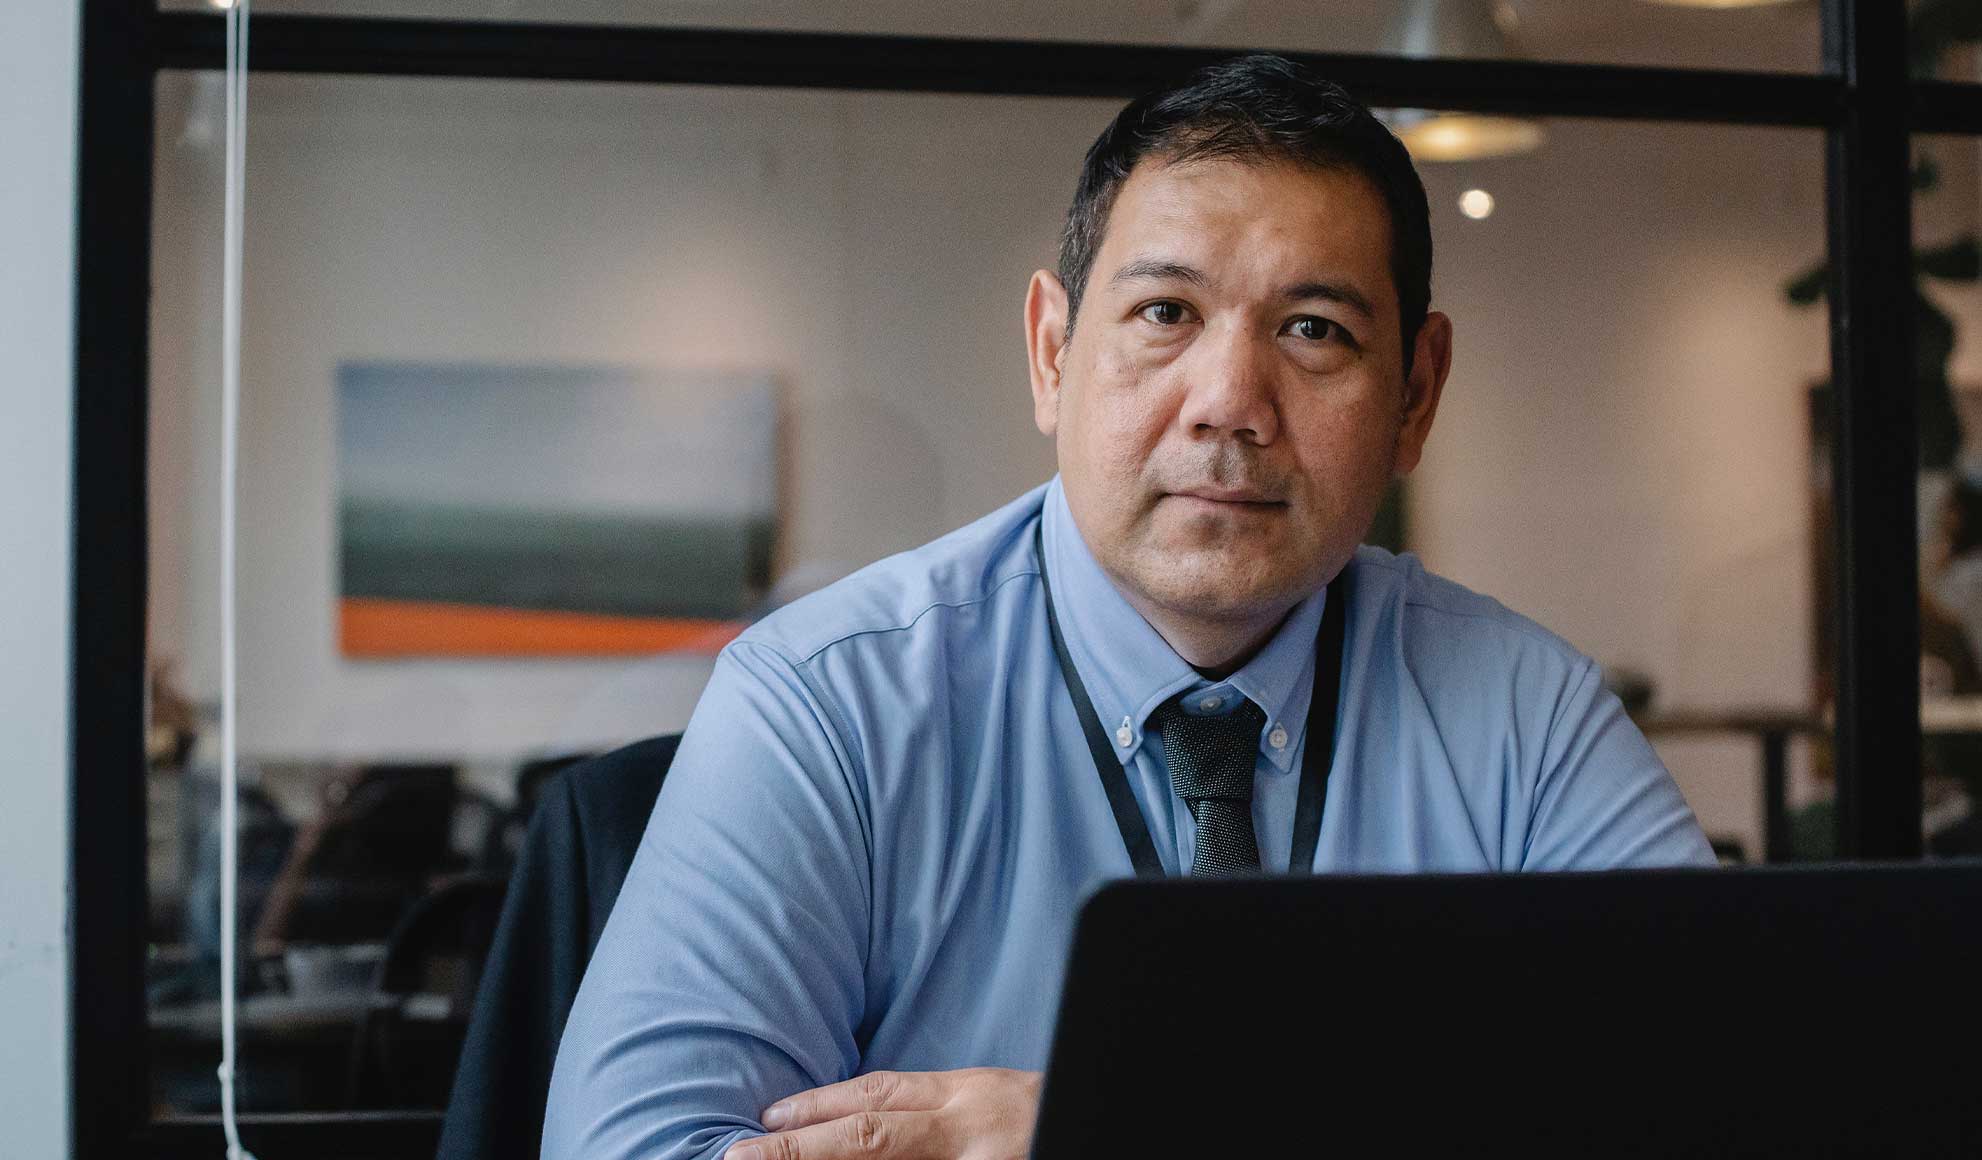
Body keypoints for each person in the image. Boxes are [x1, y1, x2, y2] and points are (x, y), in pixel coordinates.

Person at [541, 54, 1712, 1160]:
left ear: (1413, 394)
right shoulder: (828, 702)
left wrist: (1111, 1130)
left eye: (1314, 330)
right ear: (1052, 352)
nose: (1227, 403)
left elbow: (1732, 1095)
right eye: (1164, 313)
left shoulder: (1523, 714)